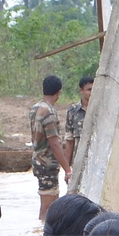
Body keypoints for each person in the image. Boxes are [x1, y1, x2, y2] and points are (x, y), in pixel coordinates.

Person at [30, 74, 72, 220]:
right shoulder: (49, 112)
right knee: (48, 207)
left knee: (49, 203)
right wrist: (67, 169)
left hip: (38, 160)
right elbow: (54, 143)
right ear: (58, 93)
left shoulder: (35, 108)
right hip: (47, 163)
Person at [63, 75, 94, 166]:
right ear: (81, 90)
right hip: (79, 162)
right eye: (89, 89)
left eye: (94, 89)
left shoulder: (101, 110)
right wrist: (67, 169)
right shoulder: (73, 112)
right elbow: (69, 140)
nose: (92, 92)